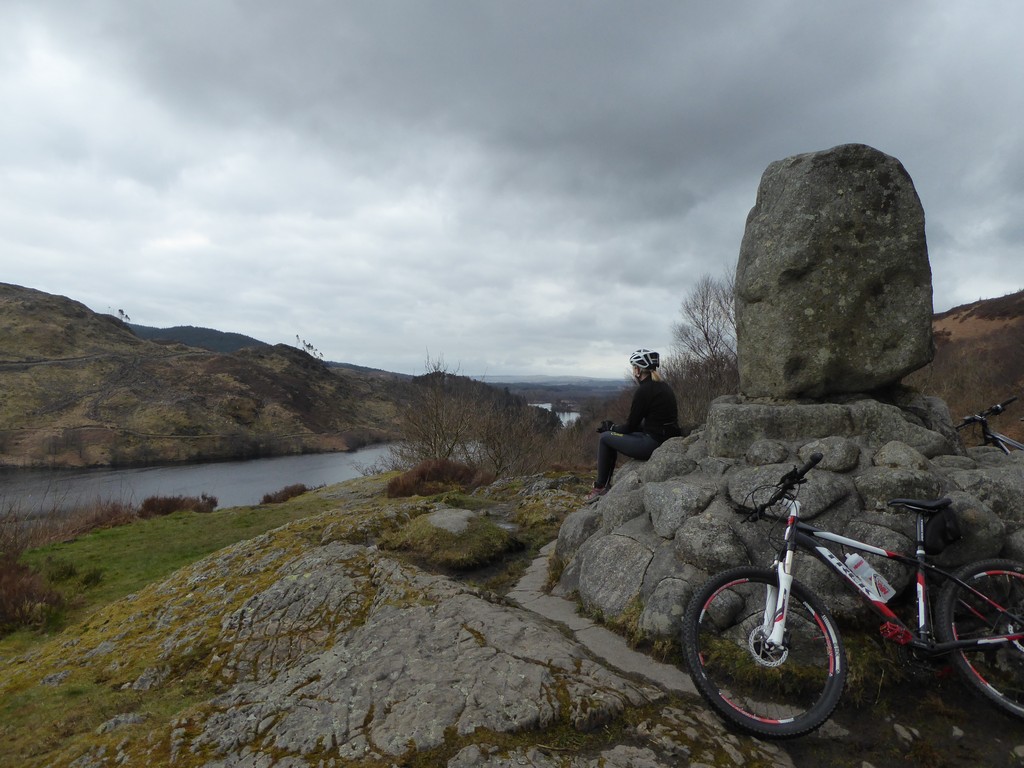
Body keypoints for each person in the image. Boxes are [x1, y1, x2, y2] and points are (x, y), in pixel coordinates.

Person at [586, 348, 682, 503]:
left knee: (605, 438)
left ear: (638, 370)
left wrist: (611, 428)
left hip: (653, 444)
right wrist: (615, 429)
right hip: (664, 438)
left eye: (633, 367)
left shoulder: (644, 391)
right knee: (612, 435)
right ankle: (603, 486)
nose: (633, 370)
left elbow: (630, 426)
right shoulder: (664, 386)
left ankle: (600, 487)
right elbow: (646, 424)